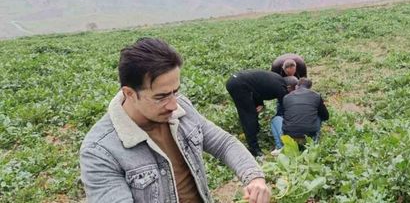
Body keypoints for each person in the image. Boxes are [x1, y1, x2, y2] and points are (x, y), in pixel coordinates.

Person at [80, 38, 270, 203]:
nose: (173, 105)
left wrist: (254, 179)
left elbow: (223, 143)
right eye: (161, 97)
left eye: (175, 91)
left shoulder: (182, 107)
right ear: (129, 93)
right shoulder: (100, 150)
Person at [226, 69, 298, 157]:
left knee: (252, 111)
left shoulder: (277, 80)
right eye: (292, 91)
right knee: (249, 115)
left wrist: (260, 103)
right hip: (239, 85)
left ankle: (254, 131)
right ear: (289, 87)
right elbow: (284, 109)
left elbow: (258, 87)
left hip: (237, 80)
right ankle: (254, 149)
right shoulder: (281, 89)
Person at [270, 78, 329, 154]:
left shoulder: (287, 97)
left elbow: (283, 115)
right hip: (308, 137)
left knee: (276, 119)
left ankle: (280, 147)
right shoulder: (316, 96)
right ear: (310, 87)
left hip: (289, 136)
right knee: (319, 115)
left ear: (296, 86)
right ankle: (313, 142)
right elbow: (326, 116)